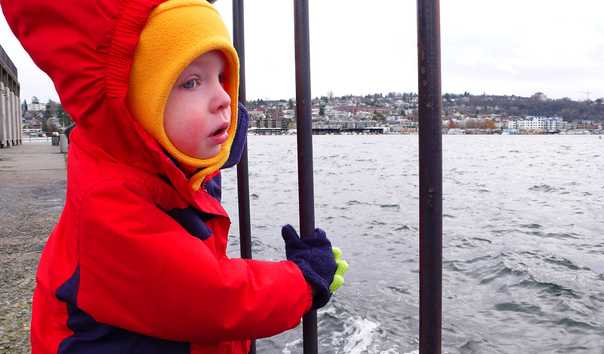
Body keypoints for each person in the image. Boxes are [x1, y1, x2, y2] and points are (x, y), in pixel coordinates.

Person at [0, 0, 348, 352]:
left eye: (221, 78)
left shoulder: (145, 164)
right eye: (192, 82)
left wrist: (219, 144)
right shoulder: (110, 204)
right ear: (139, 102)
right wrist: (304, 279)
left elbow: (172, 166)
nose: (224, 99)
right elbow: (213, 299)